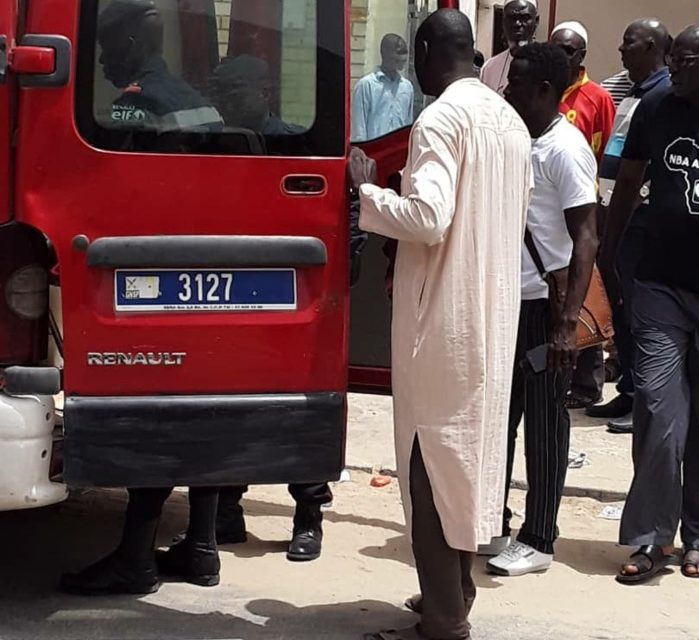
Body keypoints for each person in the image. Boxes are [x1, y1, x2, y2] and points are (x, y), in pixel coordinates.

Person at [352, 10, 532, 640]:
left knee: (431, 463)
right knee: (468, 462)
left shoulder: (441, 117)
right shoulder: (508, 118)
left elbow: (428, 216)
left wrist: (367, 194)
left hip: (444, 321)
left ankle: (445, 621)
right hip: (492, 319)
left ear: (427, 50)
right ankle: (454, 592)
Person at [60, 0, 224, 595]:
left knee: (157, 413)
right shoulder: (188, 92)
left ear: (132, 41)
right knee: (204, 408)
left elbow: (110, 188)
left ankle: (135, 557)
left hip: (156, 270)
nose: (102, 60)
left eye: (107, 47)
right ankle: (202, 547)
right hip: (204, 264)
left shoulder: (136, 100)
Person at [487, 43, 599, 577]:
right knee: (499, 419)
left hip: (545, 310)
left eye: (518, 84)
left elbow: (586, 239)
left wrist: (565, 325)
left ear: (546, 92)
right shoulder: (516, 140)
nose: (507, 91)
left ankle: (539, 539)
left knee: (545, 425)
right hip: (509, 300)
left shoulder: (566, 150)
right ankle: (496, 520)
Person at [602, 25, 699, 585]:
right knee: (660, 414)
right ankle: (651, 536)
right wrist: (609, 259)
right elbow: (628, 182)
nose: (677, 70)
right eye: (676, 60)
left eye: (689, 62)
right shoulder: (654, 108)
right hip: (660, 285)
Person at [591, 19, 672, 434]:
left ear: (654, 47)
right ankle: (627, 386)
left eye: (630, 42)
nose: (621, 49)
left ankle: (641, 398)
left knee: (636, 308)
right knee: (619, 309)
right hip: (615, 213)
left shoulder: (663, 96)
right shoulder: (630, 91)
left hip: (639, 220)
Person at [550, 21, 615, 411]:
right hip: (546, 209)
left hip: (582, 207)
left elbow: (606, 154)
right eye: (556, 47)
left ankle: (589, 382)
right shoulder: (545, 91)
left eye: (569, 50)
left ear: (582, 56)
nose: (561, 55)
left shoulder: (597, 98)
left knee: (583, 288)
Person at [97, 0, 222, 135]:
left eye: (108, 48)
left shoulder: (136, 106)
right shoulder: (203, 104)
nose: (102, 59)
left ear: (131, 47)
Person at [351, 34, 414, 142]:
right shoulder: (366, 86)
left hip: (397, 153)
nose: (402, 60)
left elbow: (407, 124)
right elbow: (359, 129)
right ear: (385, 54)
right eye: (397, 55)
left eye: (404, 57)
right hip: (374, 153)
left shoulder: (407, 88)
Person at [481, 0, 539, 96]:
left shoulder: (548, 66)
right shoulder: (489, 68)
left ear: (536, 21)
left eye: (524, 18)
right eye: (511, 18)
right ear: (503, 22)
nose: (517, 24)